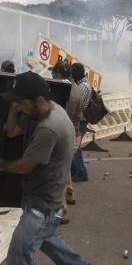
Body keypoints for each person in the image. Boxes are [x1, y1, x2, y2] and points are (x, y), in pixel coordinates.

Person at [0, 71, 99, 265]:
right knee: (49, 241)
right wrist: (14, 105)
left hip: (43, 206)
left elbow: (24, 166)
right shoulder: (35, 113)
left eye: (21, 102)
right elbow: (11, 132)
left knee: (19, 260)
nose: (18, 108)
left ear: (39, 99)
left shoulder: (50, 127)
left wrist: (0, 164)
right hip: (38, 198)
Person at [51, 61, 81, 224]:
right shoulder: (75, 87)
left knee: (58, 172)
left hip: (63, 134)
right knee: (65, 166)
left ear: (58, 74)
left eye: (53, 73)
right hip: (74, 133)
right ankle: (70, 194)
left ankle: (62, 211)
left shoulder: (62, 90)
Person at [71, 62, 91, 182]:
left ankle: (81, 173)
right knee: (73, 147)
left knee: (75, 147)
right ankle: (74, 171)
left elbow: (79, 106)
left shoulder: (83, 86)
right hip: (79, 120)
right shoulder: (80, 84)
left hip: (80, 120)